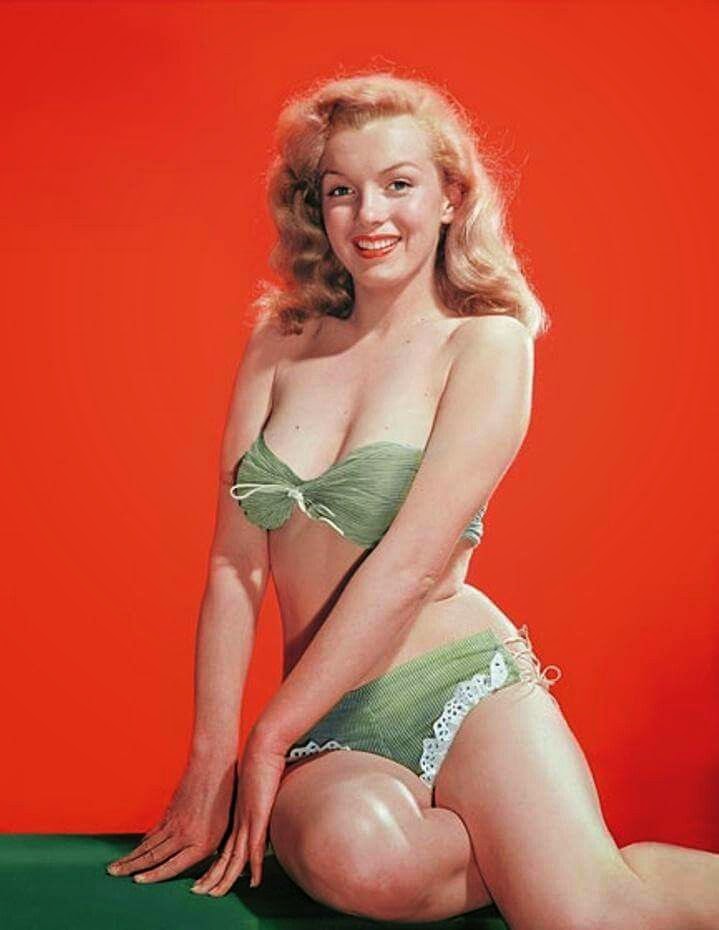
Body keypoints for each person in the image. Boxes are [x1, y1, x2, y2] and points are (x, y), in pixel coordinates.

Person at [105, 71, 719, 928]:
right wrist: (212, 764)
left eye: (398, 184)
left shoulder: (487, 343)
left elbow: (410, 566)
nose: (370, 215)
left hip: (460, 682)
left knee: (588, 918)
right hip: (328, 715)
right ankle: (519, 847)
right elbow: (233, 566)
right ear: (316, 208)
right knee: (360, 862)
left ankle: (582, 869)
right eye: (341, 191)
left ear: (449, 197)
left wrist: (266, 737)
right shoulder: (280, 341)